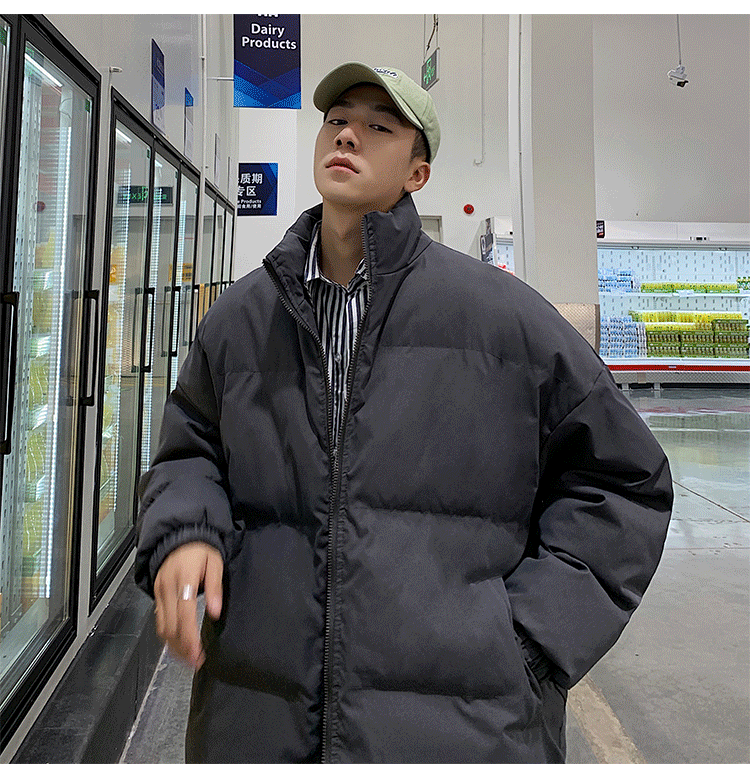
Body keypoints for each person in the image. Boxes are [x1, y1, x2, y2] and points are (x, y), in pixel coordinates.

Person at [135, 62, 673, 763]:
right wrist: (185, 532)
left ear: (418, 173)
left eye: (378, 127)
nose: (347, 135)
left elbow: (624, 479)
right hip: (258, 715)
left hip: (459, 731)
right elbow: (190, 450)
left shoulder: (501, 318)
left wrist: (527, 642)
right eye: (336, 121)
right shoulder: (244, 317)